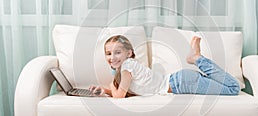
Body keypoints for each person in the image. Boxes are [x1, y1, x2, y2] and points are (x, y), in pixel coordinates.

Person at [89, 35, 240, 98]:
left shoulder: (127, 67)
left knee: (233, 88)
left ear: (129, 53)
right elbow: (129, 93)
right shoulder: (127, 68)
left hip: (183, 83)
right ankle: (196, 58)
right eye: (108, 53)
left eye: (117, 52)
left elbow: (120, 96)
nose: (112, 57)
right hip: (182, 81)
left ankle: (197, 58)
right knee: (225, 86)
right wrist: (104, 91)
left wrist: (110, 84)